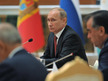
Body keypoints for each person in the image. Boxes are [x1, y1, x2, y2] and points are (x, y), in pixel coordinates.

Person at [85, 10, 108, 81]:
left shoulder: (107, 50)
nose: (88, 36)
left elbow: (100, 78)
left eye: (90, 31)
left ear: (101, 30)